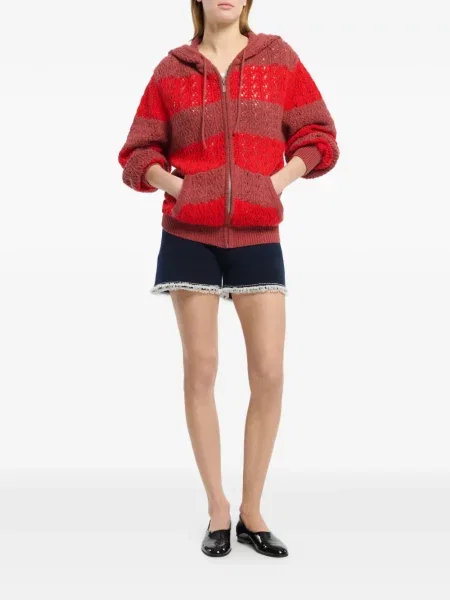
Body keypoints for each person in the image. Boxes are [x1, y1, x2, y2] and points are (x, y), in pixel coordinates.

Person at [118, 0, 339, 558]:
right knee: (202, 370)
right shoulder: (172, 69)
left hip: (258, 234)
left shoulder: (278, 58)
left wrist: (276, 182)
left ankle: (252, 511)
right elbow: (137, 152)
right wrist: (181, 188)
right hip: (188, 236)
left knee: (269, 372)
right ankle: (218, 508)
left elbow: (318, 134)